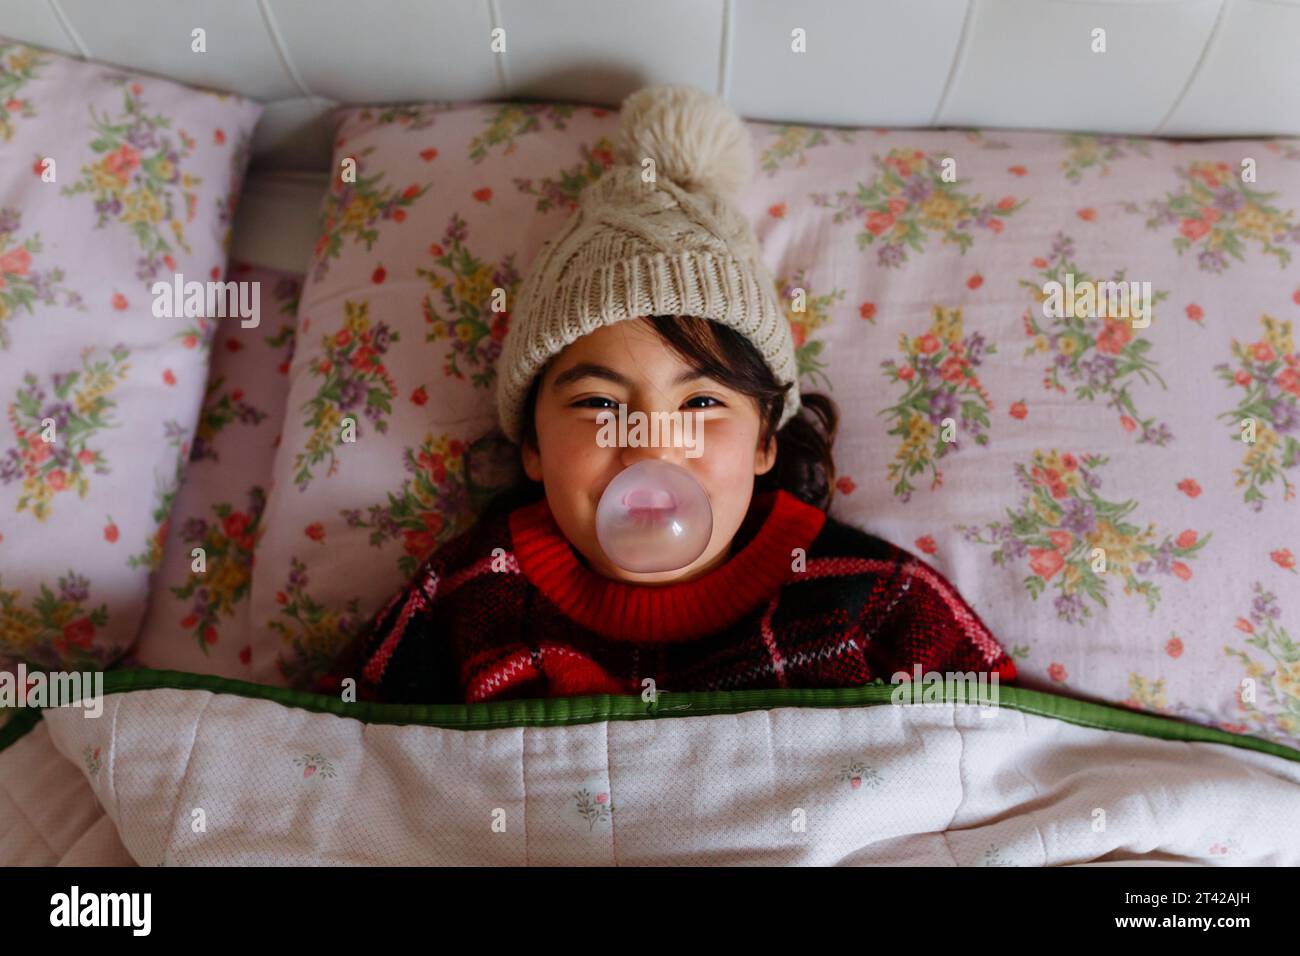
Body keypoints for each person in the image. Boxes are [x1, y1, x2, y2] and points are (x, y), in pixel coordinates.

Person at [321, 84, 1016, 705]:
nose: (653, 444)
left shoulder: (871, 599)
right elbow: (329, 767)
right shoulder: (469, 597)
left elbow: (1010, 767)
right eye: (599, 405)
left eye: (702, 405)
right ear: (532, 445)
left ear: (766, 440)